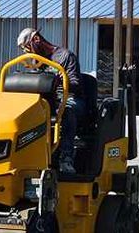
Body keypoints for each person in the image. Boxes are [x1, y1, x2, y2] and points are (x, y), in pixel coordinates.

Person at [18, 27, 99, 175]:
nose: (27, 52)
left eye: (28, 47)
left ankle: (66, 158)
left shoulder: (65, 56)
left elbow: (76, 83)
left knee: (67, 112)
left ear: (36, 39)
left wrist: (59, 82)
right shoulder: (37, 61)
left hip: (70, 98)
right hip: (50, 101)